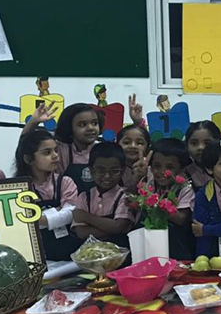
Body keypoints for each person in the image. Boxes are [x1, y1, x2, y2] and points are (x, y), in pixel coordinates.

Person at [15, 129, 80, 261]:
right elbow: (21, 222)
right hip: (34, 254)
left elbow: (70, 214)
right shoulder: (18, 188)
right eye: (47, 152)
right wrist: (57, 211)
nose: (55, 156)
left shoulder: (65, 182)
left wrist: (37, 218)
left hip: (67, 251)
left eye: (56, 150)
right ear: (28, 159)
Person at [25, 102, 103, 192]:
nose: (90, 128)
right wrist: (33, 122)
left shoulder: (103, 150)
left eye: (94, 123)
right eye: (82, 125)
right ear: (69, 127)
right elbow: (26, 145)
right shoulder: (60, 149)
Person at [140, 138, 195, 260]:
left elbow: (181, 219)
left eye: (170, 167)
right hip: (151, 239)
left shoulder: (185, 188)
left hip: (177, 243)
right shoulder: (149, 181)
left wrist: (156, 203)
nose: (162, 172)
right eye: (157, 166)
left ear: (182, 169)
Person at [72, 142, 133, 249]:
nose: (107, 176)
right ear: (91, 171)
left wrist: (85, 216)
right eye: (100, 170)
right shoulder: (84, 197)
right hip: (89, 255)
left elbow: (119, 226)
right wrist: (111, 228)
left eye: (114, 171)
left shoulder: (125, 196)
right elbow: (81, 232)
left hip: (120, 254)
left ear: (123, 171)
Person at [184, 120, 221, 190]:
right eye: (194, 143)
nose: (200, 147)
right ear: (186, 146)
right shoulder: (184, 174)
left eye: (207, 143)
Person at [117, 123, 151, 189]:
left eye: (139, 143)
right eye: (126, 142)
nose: (133, 146)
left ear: (147, 148)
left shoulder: (152, 171)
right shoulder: (113, 169)